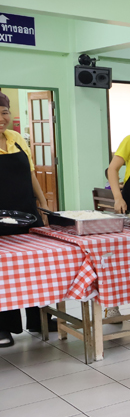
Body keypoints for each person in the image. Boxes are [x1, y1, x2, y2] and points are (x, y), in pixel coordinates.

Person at [0, 91, 49, 347]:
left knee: (36, 266)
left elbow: (31, 174)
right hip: (0, 219)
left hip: (27, 212)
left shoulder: (17, 138)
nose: (2, 118)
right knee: (4, 272)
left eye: (4, 112)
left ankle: (39, 319)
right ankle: (3, 327)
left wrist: (44, 204)